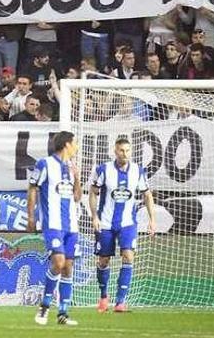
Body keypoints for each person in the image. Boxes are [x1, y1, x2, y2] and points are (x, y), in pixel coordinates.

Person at [89, 137, 157, 313]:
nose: (124, 154)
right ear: (115, 151)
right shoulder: (103, 170)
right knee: (103, 260)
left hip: (128, 223)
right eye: (121, 150)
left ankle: (120, 301)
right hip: (105, 222)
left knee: (128, 256)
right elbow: (93, 193)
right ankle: (104, 296)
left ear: (131, 151)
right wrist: (94, 216)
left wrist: (152, 219)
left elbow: (147, 195)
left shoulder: (138, 171)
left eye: (127, 150)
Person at [27, 131, 82, 326]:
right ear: (66, 144)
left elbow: (77, 197)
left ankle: (63, 313)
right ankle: (44, 306)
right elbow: (33, 187)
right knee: (58, 263)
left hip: (71, 225)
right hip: (53, 224)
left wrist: (77, 177)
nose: (76, 146)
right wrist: (31, 216)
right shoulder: (45, 164)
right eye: (74, 143)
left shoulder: (71, 167)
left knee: (68, 267)